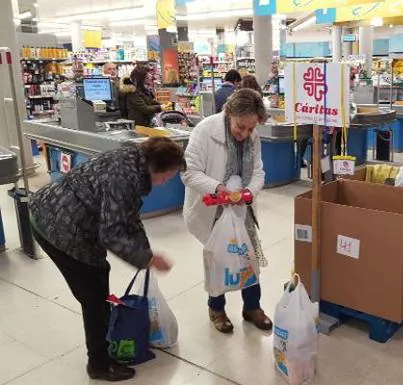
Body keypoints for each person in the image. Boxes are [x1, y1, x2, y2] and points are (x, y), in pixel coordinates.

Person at [29, 137, 185, 381]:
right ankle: (99, 365)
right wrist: (148, 259)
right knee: (94, 297)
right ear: (156, 166)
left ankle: (101, 349)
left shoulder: (131, 161)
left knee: (98, 282)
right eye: (168, 176)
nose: (166, 182)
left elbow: (127, 215)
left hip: (52, 212)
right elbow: (111, 233)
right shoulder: (124, 178)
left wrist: (145, 251)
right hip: (59, 227)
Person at [182, 88, 272, 334]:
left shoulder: (252, 136)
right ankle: (217, 309)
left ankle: (252, 307)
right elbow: (188, 172)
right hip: (212, 209)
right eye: (240, 127)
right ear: (229, 113)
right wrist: (217, 188)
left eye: (251, 128)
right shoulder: (205, 131)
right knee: (218, 257)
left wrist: (249, 192)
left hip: (241, 208)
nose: (245, 134)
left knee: (248, 254)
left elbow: (258, 171)